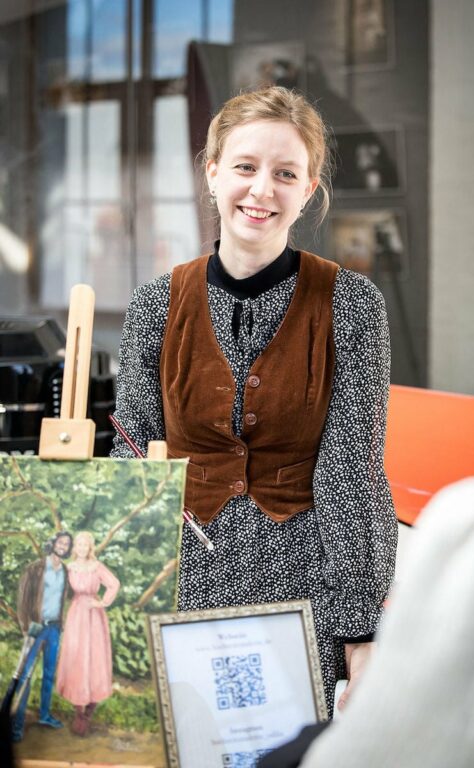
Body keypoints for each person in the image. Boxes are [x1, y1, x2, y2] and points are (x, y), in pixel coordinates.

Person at [111, 86, 397, 714]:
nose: (262, 190)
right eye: (245, 167)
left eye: (285, 173)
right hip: (184, 591)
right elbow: (132, 463)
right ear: (212, 172)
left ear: (308, 187)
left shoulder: (352, 305)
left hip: (305, 593)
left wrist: (360, 634)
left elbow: (352, 475)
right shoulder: (155, 304)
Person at [257, 474, 474, 768]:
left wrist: (359, 635)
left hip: (301, 581)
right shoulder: (469, 511)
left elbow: (348, 485)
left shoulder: (470, 515)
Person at [55, 531, 120, 736]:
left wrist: (101, 602)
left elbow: (114, 584)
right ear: (75, 547)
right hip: (76, 614)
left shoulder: (97, 567)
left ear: (90, 547)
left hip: (93, 617)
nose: (82, 548)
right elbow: (59, 589)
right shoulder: (69, 568)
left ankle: (89, 711)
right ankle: (78, 711)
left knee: (94, 658)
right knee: (76, 657)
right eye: (79, 544)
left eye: (86, 545)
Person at [11, 531, 72, 742]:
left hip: (54, 629)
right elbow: (22, 599)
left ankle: (44, 715)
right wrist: (25, 627)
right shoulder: (35, 568)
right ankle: (16, 726)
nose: (63, 546)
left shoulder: (65, 570)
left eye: (67, 544)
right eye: (60, 542)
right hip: (35, 627)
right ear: (53, 543)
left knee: (48, 674)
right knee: (25, 675)